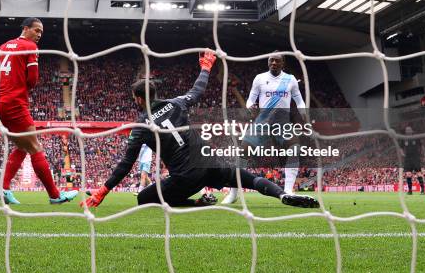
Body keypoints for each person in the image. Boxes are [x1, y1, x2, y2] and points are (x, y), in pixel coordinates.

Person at [82, 51, 319, 210]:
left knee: (144, 198)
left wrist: (103, 190)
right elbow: (198, 90)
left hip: (185, 177)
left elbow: (126, 163)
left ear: (137, 99)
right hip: (209, 162)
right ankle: (281, 195)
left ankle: (197, 202)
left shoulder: (141, 126)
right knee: (249, 178)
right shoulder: (176, 102)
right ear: (154, 94)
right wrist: (205, 67)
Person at [0, 17, 77, 205]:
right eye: (36, 30)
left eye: (41, 32)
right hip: (14, 103)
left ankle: (4, 188)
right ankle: (55, 196)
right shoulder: (30, 47)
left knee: (22, 147)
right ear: (25, 28)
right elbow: (32, 80)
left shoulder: (3, 46)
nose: (39, 35)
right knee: (35, 147)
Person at [223, 52, 306, 204]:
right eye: (271, 60)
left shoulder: (290, 79)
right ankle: (233, 193)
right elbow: (250, 99)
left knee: (294, 149)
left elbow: (299, 100)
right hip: (263, 121)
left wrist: (303, 112)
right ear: (268, 62)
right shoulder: (260, 78)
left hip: (282, 122)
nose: (274, 63)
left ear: (283, 64)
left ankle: (288, 190)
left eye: (277, 61)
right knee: (242, 152)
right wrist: (250, 107)